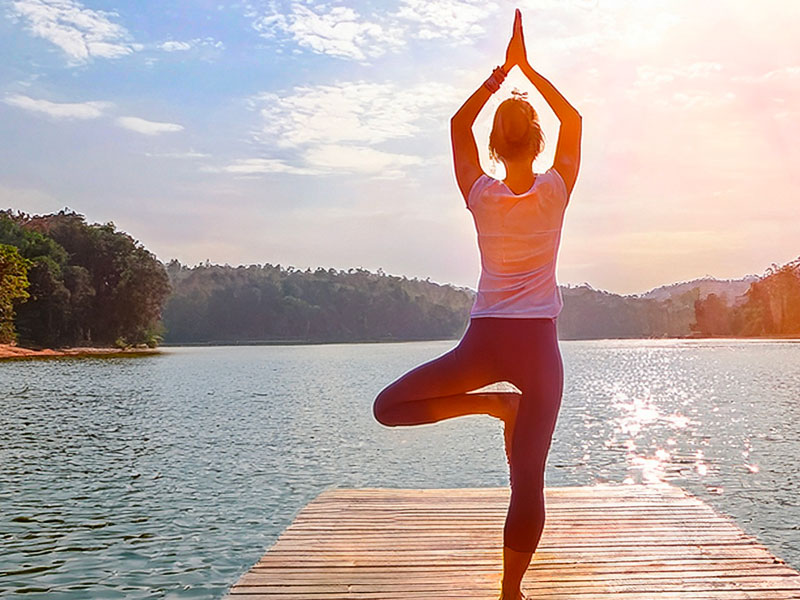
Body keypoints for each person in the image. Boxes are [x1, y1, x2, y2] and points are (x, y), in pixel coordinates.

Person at [372, 8, 581, 600]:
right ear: (538, 142)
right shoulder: (557, 190)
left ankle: (489, 406)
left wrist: (496, 80)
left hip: (484, 339)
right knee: (528, 482)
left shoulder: (479, 193)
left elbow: (457, 126)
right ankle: (510, 590)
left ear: (494, 144)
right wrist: (528, 71)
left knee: (389, 408)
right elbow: (574, 118)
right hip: (538, 348)